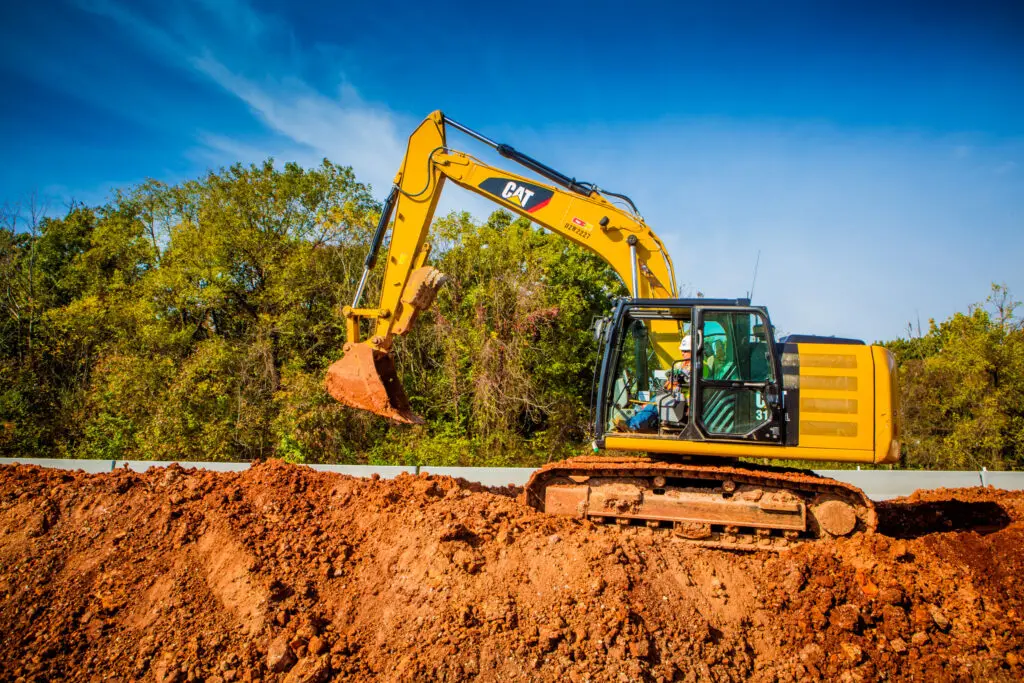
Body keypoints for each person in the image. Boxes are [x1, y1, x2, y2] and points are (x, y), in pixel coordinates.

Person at [615, 335, 692, 432]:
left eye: (685, 351)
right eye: (682, 350)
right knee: (652, 403)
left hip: (686, 402)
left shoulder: (700, 366)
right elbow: (668, 384)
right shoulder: (679, 364)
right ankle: (632, 423)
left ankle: (632, 425)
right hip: (674, 397)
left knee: (657, 403)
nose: (682, 353)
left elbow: (693, 383)